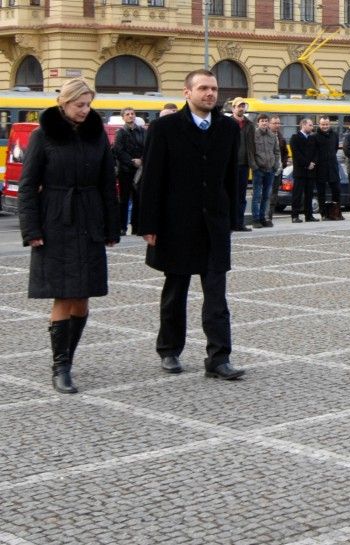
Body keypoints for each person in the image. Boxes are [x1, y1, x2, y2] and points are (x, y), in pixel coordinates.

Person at [138, 69, 245, 381]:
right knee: (176, 291)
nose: (210, 94)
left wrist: (232, 217)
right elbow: (152, 179)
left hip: (213, 224)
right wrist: (149, 223)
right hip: (176, 224)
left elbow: (231, 177)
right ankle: (169, 349)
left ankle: (219, 358)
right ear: (187, 93)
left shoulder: (227, 128)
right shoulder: (164, 128)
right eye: (203, 88)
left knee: (216, 295)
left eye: (213, 88)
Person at [18, 77, 120, 394]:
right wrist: (31, 230)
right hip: (56, 221)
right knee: (64, 294)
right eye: (80, 105)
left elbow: (107, 183)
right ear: (64, 103)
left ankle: (69, 357)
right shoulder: (42, 135)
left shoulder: (97, 136)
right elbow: (26, 188)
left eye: (89, 104)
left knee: (84, 297)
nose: (85, 110)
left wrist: (111, 226)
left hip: (89, 220)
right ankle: (60, 366)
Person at [113, 107, 146, 235]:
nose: (131, 116)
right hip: (126, 170)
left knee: (138, 199)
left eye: (132, 114)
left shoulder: (142, 131)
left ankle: (136, 226)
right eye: (127, 114)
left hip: (140, 170)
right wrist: (132, 161)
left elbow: (147, 146)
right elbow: (118, 151)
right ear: (123, 117)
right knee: (124, 199)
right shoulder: (120, 133)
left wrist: (141, 160)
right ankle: (122, 227)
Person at [251, 113, 281, 228]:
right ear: (258, 123)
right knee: (257, 195)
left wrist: (275, 165)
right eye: (262, 121)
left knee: (267, 195)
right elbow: (251, 152)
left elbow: (277, 152)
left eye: (265, 121)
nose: (264, 123)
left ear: (268, 123)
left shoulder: (272, 136)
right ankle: (256, 219)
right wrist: (254, 166)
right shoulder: (254, 135)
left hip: (270, 170)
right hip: (258, 169)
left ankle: (264, 218)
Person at [230, 97, 255, 231]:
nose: (241, 108)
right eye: (239, 106)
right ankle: (230, 223)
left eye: (243, 106)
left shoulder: (249, 124)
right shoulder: (227, 123)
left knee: (241, 196)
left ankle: (239, 223)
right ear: (233, 108)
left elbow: (252, 145)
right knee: (230, 195)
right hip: (230, 165)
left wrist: (253, 162)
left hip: (244, 164)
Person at [315, 116, 344, 220]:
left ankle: (336, 212)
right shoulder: (315, 136)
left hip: (332, 166)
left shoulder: (334, 135)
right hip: (320, 167)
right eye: (323, 124)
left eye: (326, 124)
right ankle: (323, 214)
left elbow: (335, 148)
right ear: (319, 124)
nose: (325, 126)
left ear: (329, 124)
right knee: (321, 192)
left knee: (336, 190)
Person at [289, 118, 318, 223]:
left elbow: (316, 152)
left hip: (311, 171)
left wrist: (313, 163)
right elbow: (296, 154)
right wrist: (307, 164)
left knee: (309, 194)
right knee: (297, 194)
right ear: (303, 125)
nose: (312, 127)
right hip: (300, 171)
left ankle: (309, 215)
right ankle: (295, 216)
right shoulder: (295, 138)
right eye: (310, 125)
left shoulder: (312, 138)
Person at [266, 115, 290, 226]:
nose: (277, 125)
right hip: (266, 169)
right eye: (274, 123)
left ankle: (269, 216)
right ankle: (263, 216)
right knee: (265, 193)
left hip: (278, 170)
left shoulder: (281, 137)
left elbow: (285, 153)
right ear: (269, 124)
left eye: (278, 123)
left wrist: (283, 164)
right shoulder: (265, 135)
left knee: (274, 195)